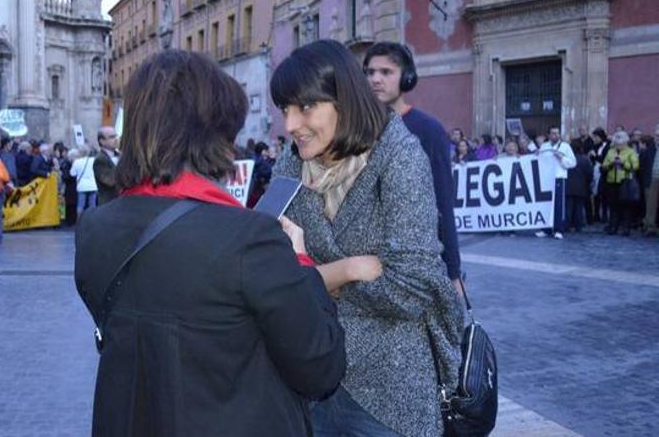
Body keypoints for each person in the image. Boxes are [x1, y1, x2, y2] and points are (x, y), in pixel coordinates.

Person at [75, 50, 346, 437]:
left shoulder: (94, 227)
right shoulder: (250, 237)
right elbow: (320, 367)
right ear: (213, 133)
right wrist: (300, 262)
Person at [272, 39, 463, 437]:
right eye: (285, 109)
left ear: (343, 99)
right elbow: (268, 276)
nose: (290, 125)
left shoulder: (398, 154)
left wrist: (310, 276)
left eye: (305, 107)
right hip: (310, 381)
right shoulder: (290, 162)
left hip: (390, 392)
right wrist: (349, 269)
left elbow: (412, 288)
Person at [364, 41, 463, 289]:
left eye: (386, 72)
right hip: (364, 263)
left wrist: (453, 272)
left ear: (406, 78)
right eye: (370, 72)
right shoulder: (357, 130)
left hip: (414, 262)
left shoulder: (429, 130)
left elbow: (443, 202)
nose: (376, 79)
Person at [536, 126, 576, 239]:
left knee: (559, 205)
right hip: (546, 179)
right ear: (548, 135)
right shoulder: (544, 146)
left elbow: (573, 163)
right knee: (546, 204)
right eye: (553, 133)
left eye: (557, 133)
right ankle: (546, 229)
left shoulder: (565, 146)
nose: (556, 135)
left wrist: (561, 159)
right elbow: (540, 161)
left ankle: (559, 229)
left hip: (559, 178)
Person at [602, 130, 639, 236]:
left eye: (621, 144)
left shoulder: (630, 152)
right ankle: (613, 227)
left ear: (625, 142)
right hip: (611, 182)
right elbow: (604, 165)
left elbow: (635, 166)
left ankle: (625, 228)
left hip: (625, 182)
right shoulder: (610, 151)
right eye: (617, 143)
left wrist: (623, 163)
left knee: (625, 207)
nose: (619, 146)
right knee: (613, 206)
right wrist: (611, 164)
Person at [566, 140, 593, 233]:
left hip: (568, 187)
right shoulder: (585, 159)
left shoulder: (567, 159)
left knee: (568, 208)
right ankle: (578, 226)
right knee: (579, 208)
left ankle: (567, 226)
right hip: (581, 187)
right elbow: (590, 174)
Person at [93, 126, 120, 205]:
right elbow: (111, 181)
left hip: (121, 201)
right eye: (112, 137)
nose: (116, 139)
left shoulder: (120, 155)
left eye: (116, 136)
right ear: (102, 141)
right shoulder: (100, 159)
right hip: (108, 203)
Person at [70, 149, 97, 218]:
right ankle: (92, 221)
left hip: (81, 186)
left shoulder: (77, 162)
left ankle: (79, 222)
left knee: (80, 205)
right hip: (92, 185)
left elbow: (72, 174)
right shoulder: (93, 160)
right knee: (92, 205)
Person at [642, 125, 659, 236]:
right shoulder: (651, 148)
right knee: (651, 204)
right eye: (657, 135)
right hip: (653, 177)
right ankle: (650, 226)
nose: (658, 137)